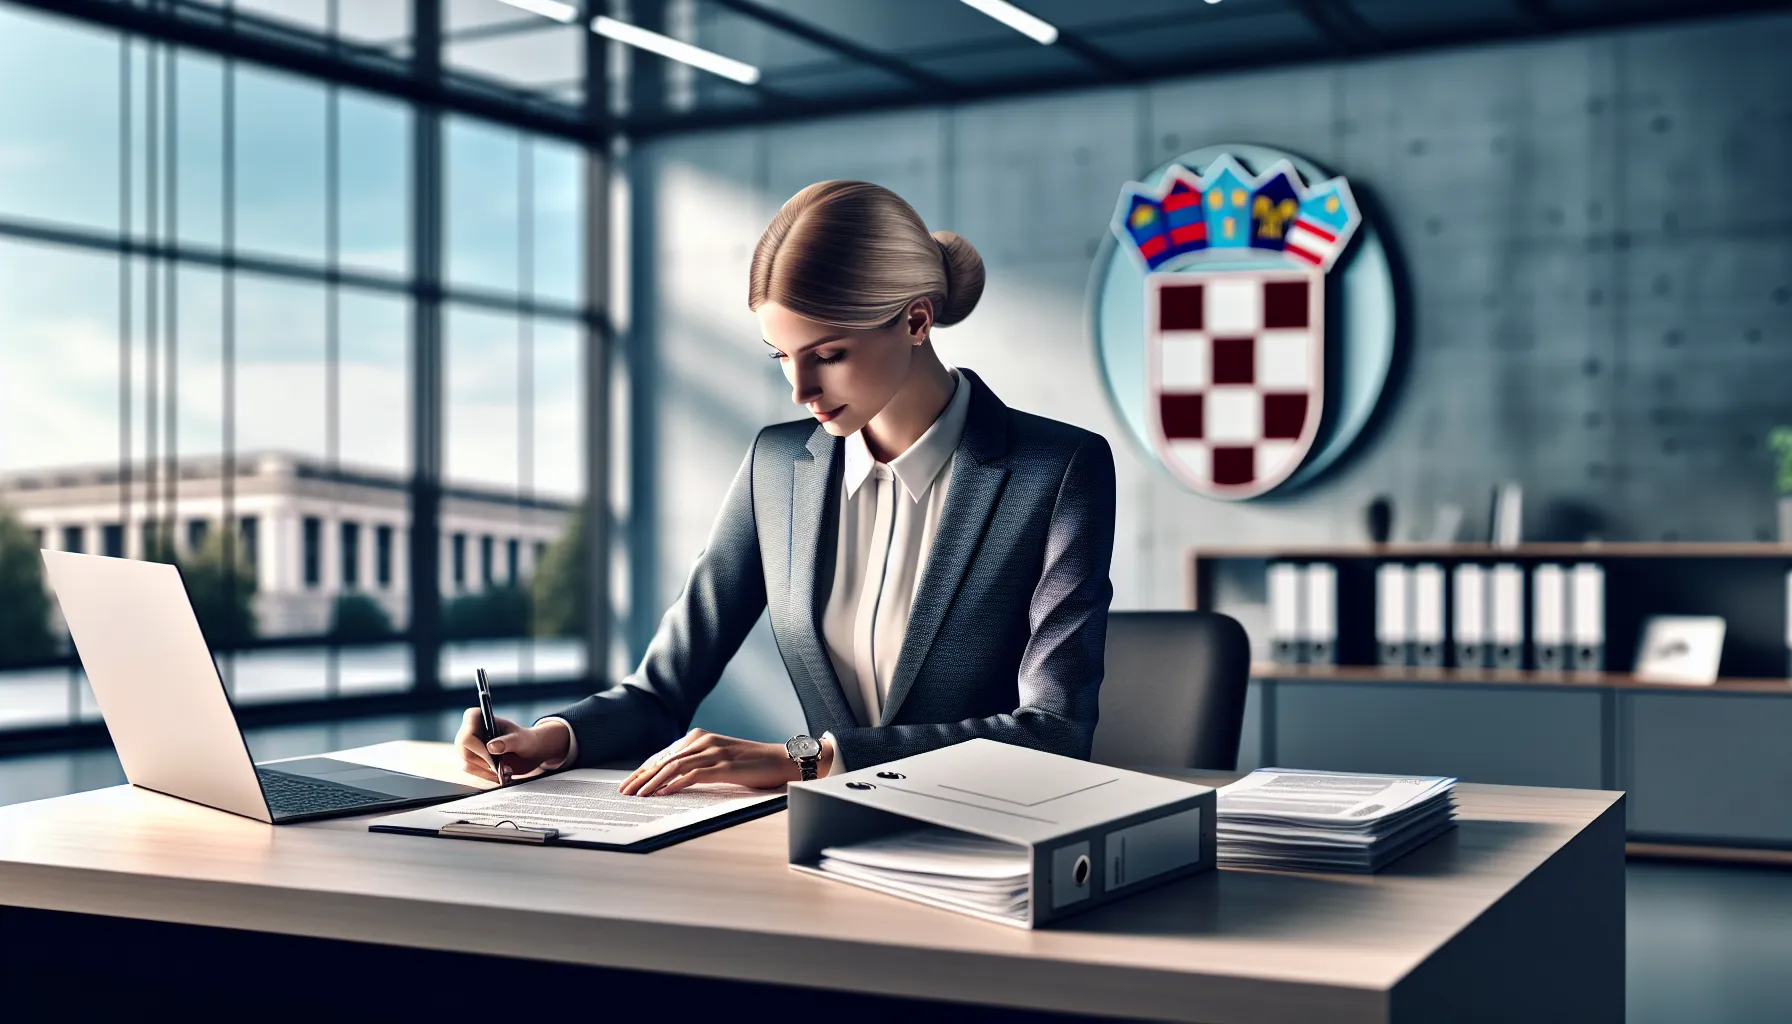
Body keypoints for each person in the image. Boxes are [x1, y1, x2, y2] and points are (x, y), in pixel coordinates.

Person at [456, 180, 1116, 795]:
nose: (800, 392)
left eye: (828, 355)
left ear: (917, 321)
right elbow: (663, 691)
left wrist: (807, 758)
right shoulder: (776, 466)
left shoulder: (1057, 471)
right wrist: (550, 738)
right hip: (815, 845)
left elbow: (1054, 735)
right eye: (781, 357)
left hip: (988, 843)